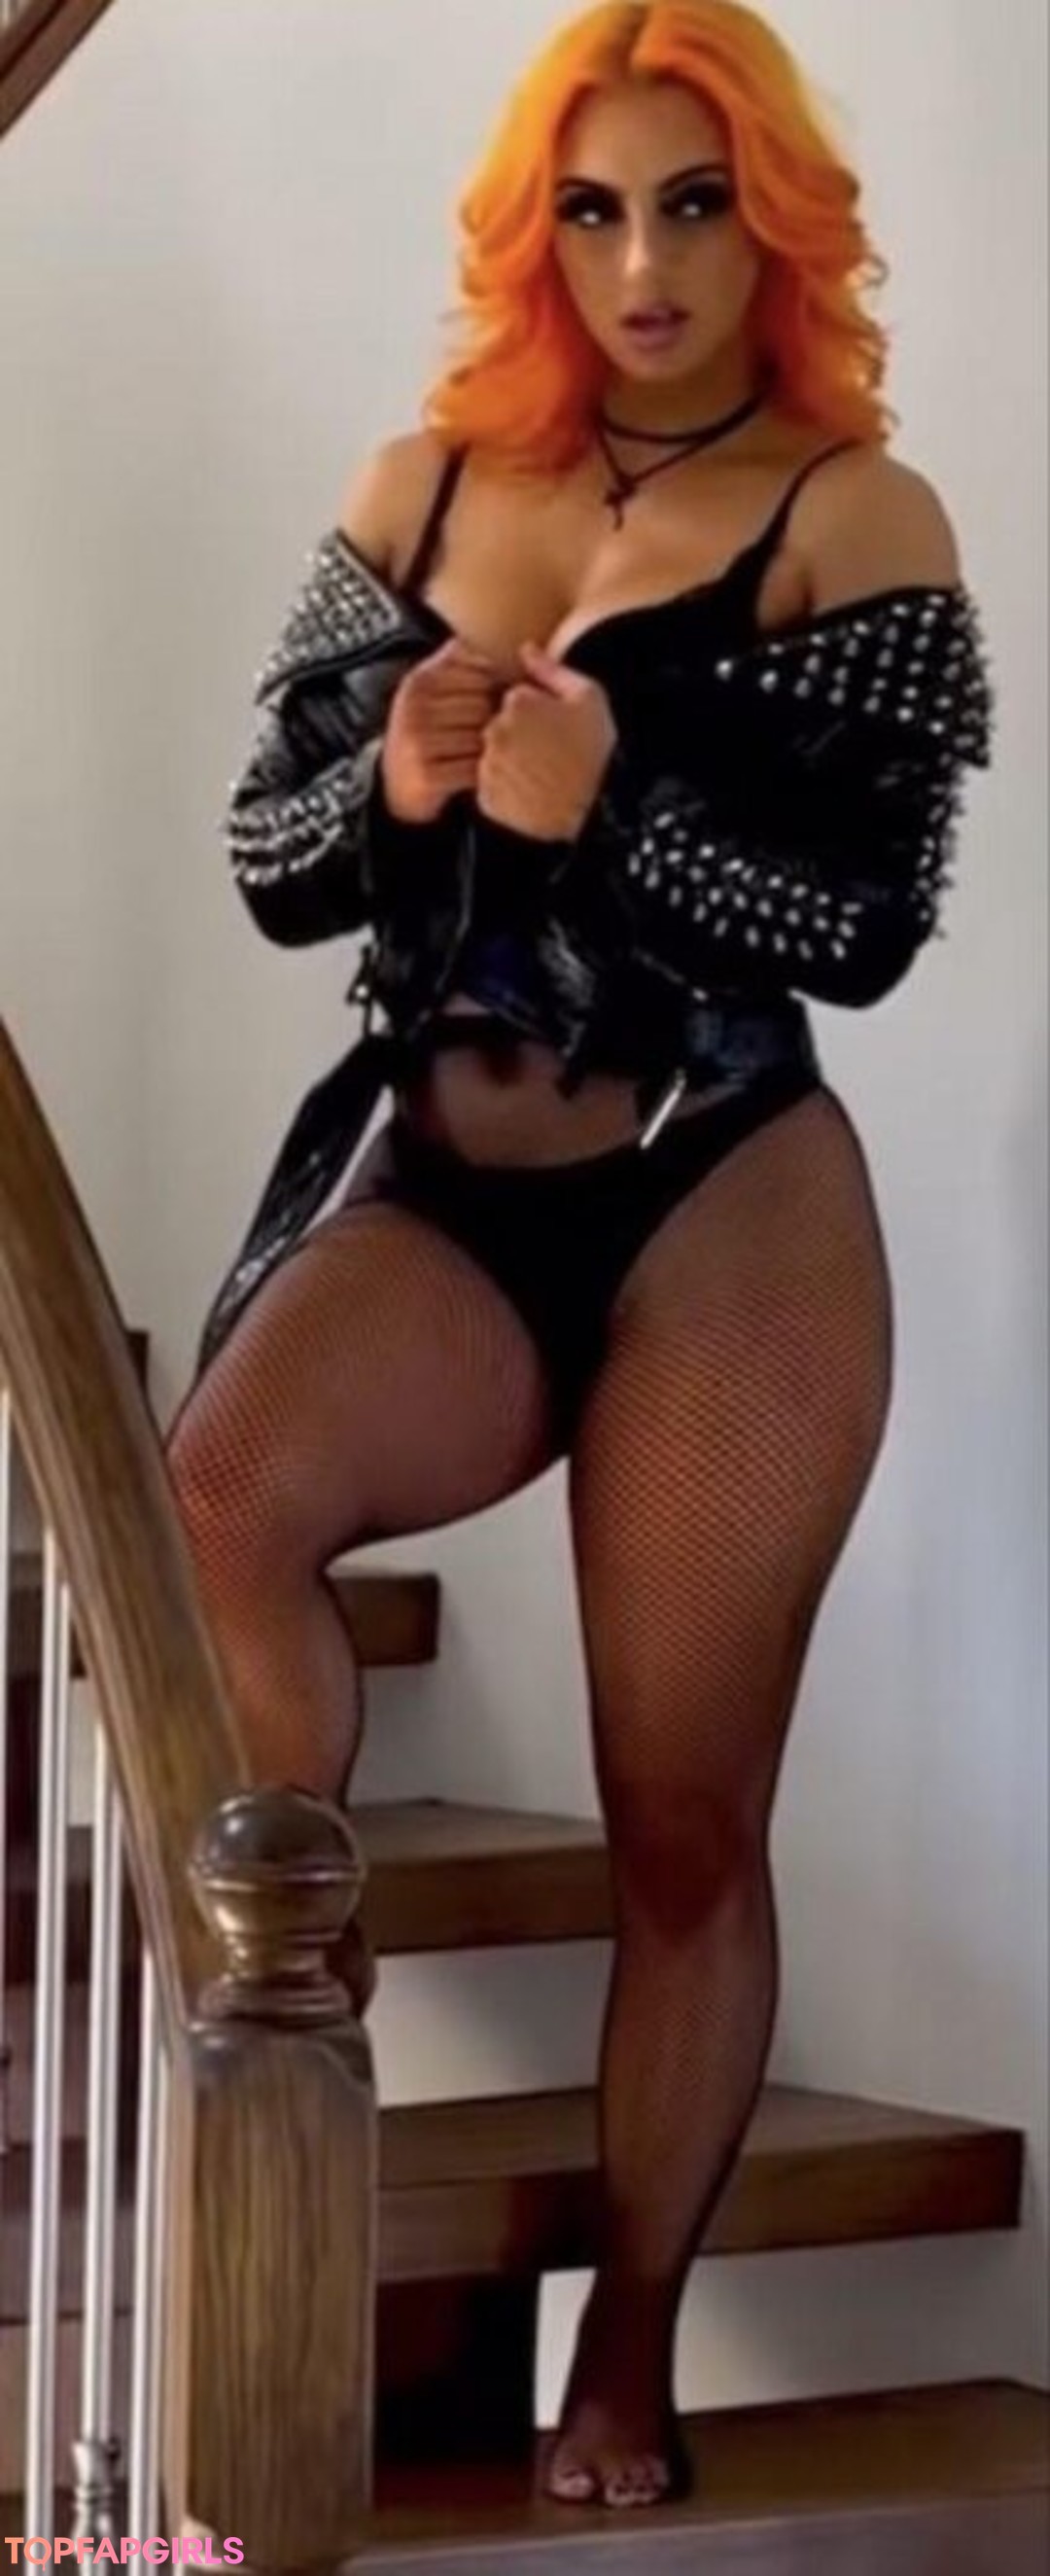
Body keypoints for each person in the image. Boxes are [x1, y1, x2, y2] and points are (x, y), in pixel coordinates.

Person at [167, 0, 993, 2515]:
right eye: (599, 207)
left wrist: (610, 806)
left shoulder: (855, 512)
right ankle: (301, 2025)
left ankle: (627, 2350)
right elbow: (268, 858)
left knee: (679, 1819)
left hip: (729, 1197)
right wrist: (389, 774)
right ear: (540, 232)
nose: (646, 263)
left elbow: (868, 923)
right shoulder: (423, 482)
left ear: (776, 228)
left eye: (697, 204)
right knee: (213, 1502)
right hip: (446, 1177)